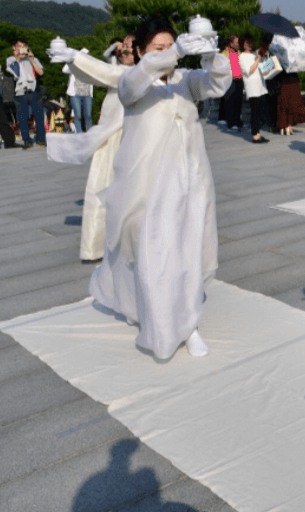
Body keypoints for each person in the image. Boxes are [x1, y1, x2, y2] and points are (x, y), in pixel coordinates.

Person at [89, 18, 230, 360]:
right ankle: (164, 324)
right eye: (158, 49)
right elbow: (130, 87)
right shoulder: (134, 81)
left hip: (190, 181)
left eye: (171, 47)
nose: (167, 55)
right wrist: (176, 51)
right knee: (154, 252)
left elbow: (218, 84)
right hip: (149, 187)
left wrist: (210, 54)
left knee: (188, 249)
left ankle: (188, 321)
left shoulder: (184, 81)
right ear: (139, 51)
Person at [47, 38, 135, 261]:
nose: (124, 49)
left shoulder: (139, 75)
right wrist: (74, 57)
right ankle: (97, 245)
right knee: (101, 188)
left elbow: (105, 72)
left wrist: (76, 56)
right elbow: (102, 71)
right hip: (112, 139)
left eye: (129, 45)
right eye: (123, 45)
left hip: (137, 140)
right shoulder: (119, 71)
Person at [6, 38, 46, 148]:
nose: (22, 48)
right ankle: (26, 139)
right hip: (20, 92)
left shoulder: (32, 59)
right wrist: (18, 57)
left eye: (23, 46)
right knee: (22, 117)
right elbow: (15, 72)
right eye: (19, 46)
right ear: (14, 48)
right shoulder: (10, 59)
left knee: (39, 116)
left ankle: (41, 138)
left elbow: (40, 72)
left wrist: (32, 60)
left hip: (34, 90)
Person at [238, 36, 271, 144]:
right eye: (248, 43)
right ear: (243, 45)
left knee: (261, 112)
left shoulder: (254, 54)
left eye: (251, 42)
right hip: (252, 88)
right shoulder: (242, 56)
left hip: (261, 86)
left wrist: (264, 57)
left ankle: (258, 133)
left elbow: (264, 67)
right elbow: (249, 71)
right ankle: (255, 135)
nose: (250, 45)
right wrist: (257, 59)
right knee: (255, 112)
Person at [64, 48, 94, 133]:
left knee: (88, 116)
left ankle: (90, 134)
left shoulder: (90, 68)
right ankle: (79, 134)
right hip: (75, 95)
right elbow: (64, 69)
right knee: (78, 116)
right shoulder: (74, 67)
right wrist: (77, 56)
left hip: (87, 94)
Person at [218, 34, 245, 131]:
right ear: (230, 43)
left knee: (238, 102)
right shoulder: (224, 54)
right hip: (230, 80)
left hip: (239, 80)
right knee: (230, 102)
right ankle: (231, 123)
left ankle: (238, 122)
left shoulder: (239, 53)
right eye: (236, 42)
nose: (238, 44)